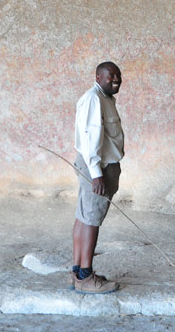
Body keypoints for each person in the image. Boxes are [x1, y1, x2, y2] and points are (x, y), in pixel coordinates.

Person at [70, 62, 124, 294]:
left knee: (83, 217)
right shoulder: (94, 99)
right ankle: (85, 277)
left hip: (95, 167)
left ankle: (77, 272)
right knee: (91, 220)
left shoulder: (103, 98)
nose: (116, 79)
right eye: (111, 75)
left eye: (118, 76)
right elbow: (91, 139)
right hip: (98, 167)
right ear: (98, 77)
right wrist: (97, 175)